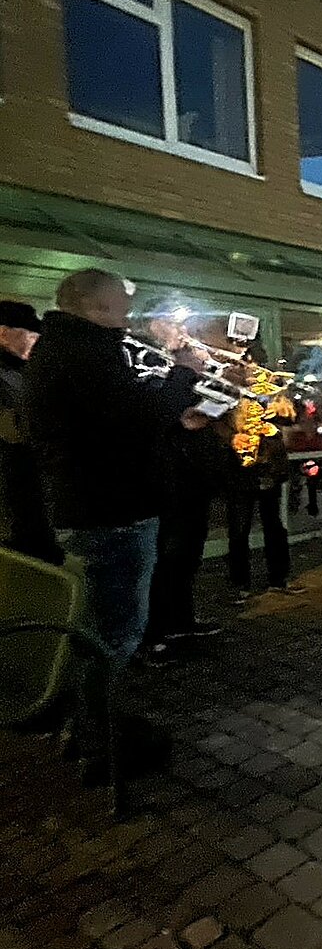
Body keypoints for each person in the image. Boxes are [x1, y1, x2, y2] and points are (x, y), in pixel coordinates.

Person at [23, 268, 203, 773]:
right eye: (122, 305)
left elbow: (116, 425)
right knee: (114, 635)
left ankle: (87, 729)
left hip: (95, 509)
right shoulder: (86, 354)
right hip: (111, 514)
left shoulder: (65, 350)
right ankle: (98, 743)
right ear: (94, 307)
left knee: (97, 630)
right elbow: (134, 420)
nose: (129, 314)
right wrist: (183, 374)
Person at [140, 305, 227, 661]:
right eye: (170, 322)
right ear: (152, 325)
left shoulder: (184, 359)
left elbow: (189, 402)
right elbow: (154, 411)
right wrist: (183, 375)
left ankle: (181, 619)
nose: (179, 328)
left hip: (194, 473)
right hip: (164, 475)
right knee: (164, 557)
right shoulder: (141, 358)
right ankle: (154, 632)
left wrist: (214, 383)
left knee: (187, 555)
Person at [224, 392, 300, 602]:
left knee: (274, 526)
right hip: (241, 473)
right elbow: (221, 428)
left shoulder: (270, 396)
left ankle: (278, 578)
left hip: (268, 472)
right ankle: (240, 583)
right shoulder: (230, 396)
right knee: (240, 530)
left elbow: (290, 418)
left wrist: (281, 405)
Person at [0, 300, 58, 563]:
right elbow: (11, 429)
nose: (37, 342)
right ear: (4, 332)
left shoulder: (23, 369)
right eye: (31, 335)